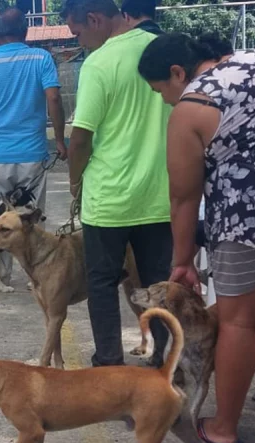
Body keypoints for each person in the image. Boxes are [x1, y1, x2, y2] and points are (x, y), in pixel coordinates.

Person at [138, 33, 255, 443]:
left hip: (250, 221)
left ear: (177, 72)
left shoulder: (192, 107)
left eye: (160, 91)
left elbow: (184, 197)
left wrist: (183, 260)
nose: (165, 100)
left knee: (243, 324)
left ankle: (223, 428)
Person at [60, 0, 171, 368]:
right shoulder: (165, 49)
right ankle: (167, 362)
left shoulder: (100, 62)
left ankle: (109, 364)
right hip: (160, 195)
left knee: (102, 285)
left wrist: (75, 183)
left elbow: (80, 139)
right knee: (160, 284)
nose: (80, 42)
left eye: (78, 32)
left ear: (94, 19)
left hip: (109, 198)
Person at [0, 7, 66, 290]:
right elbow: (53, 98)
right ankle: (38, 276)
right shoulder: (41, 58)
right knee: (31, 220)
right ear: (26, 32)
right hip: (32, 154)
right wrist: (58, 138)